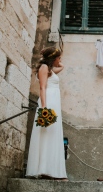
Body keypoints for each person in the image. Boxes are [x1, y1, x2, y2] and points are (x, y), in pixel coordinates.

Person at [26, 47, 68, 181]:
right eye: (58, 58)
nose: (60, 60)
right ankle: (43, 169)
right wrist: (44, 107)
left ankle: (50, 170)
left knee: (53, 134)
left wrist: (48, 52)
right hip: (48, 102)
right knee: (46, 134)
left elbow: (62, 66)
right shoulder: (44, 68)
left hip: (54, 102)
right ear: (53, 58)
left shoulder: (50, 69)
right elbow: (42, 87)